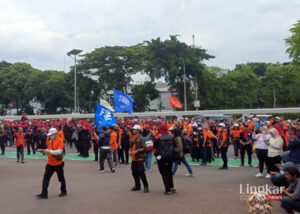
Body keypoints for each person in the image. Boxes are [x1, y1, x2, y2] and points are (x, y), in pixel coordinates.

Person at [36, 128, 67, 199]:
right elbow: (49, 149)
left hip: (58, 163)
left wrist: (48, 151)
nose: (50, 136)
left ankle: (64, 191)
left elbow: (59, 152)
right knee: (45, 178)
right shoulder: (51, 141)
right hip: (50, 163)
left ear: (55, 134)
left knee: (61, 178)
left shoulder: (60, 141)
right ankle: (44, 194)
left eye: (51, 135)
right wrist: (44, 150)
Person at [154, 123, 176, 195]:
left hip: (161, 157)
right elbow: (174, 147)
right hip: (170, 157)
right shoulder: (172, 137)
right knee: (169, 171)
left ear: (160, 129)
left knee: (163, 173)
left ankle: (167, 189)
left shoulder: (158, 137)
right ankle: (171, 187)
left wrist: (157, 157)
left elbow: (155, 149)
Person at [129, 125, 149, 193]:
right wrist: (130, 150)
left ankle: (146, 186)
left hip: (140, 158)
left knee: (141, 172)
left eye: (134, 129)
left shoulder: (141, 138)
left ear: (138, 130)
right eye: (133, 129)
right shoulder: (132, 138)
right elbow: (131, 146)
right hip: (133, 158)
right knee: (134, 172)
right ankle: (137, 185)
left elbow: (144, 148)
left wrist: (137, 151)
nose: (133, 130)